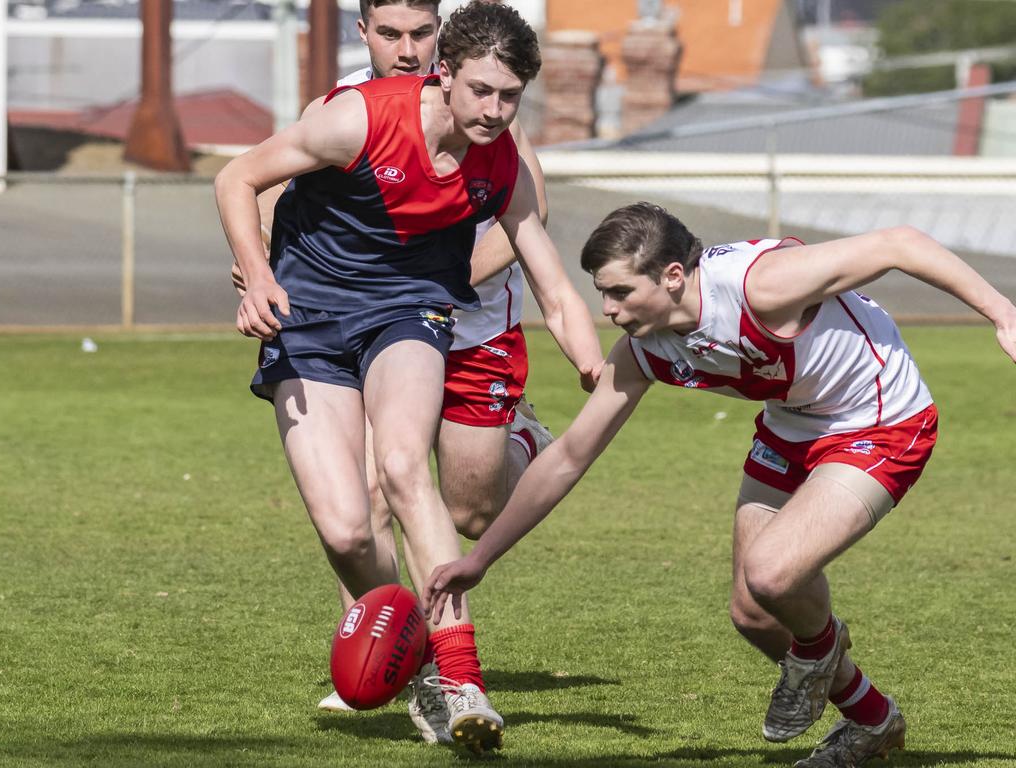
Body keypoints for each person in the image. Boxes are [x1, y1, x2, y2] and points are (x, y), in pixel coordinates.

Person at [424, 203, 1016, 766]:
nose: (607, 308)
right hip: (791, 427)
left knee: (772, 573)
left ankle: (816, 651)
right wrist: (482, 556)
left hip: (880, 419)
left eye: (621, 291)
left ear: (674, 275)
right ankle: (872, 722)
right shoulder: (643, 349)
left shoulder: (763, 286)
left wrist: (1003, 313)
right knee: (754, 613)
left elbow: (900, 243)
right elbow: (569, 456)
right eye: (603, 291)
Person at [215, 1, 603, 753]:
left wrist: (593, 362)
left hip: (410, 312)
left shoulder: (503, 161)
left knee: (401, 467)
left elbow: (552, 283)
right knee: (345, 526)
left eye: (510, 96)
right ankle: (414, 652)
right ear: (446, 75)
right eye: (482, 91)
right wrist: (257, 276)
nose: (494, 111)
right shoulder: (355, 118)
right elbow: (238, 177)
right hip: (310, 320)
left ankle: (461, 681)